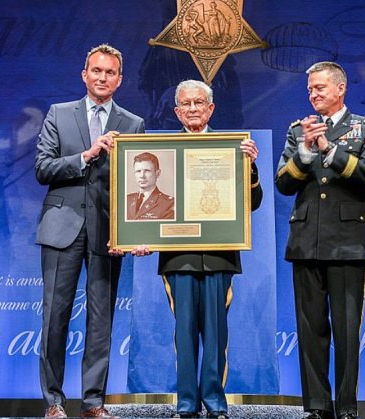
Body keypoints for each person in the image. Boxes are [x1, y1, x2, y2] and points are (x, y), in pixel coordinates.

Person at [127, 80, 261, 419]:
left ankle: (215, 399)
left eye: (198, 103)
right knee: (184, 332)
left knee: (216, 333)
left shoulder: (232, 148)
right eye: (185, 104)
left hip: (219, 254)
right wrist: (137, 237)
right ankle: (186, 400)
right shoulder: (165, 158)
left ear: (211, 108)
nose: (192, 109)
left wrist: (251, 167)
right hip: (179, 257)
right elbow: (148, 213)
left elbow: (253, 203)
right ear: (176, 111)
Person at [34, 44, 145, 419]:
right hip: (62, 228)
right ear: (84, 74)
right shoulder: (59, 114)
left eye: (109, 72)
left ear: (119, 79)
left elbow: (138, 187)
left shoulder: (133, 123)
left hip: (108, 235)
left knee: (102, 320)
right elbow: (43, 168)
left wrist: (132, 232)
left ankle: (94, 402)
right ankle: (53, 401)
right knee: (55, 317)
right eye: (96, 71)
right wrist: (87, 155)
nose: (102, 77)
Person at [275, 62, 365, 419]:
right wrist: (305, 152)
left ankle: (347, 407)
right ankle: (317, 406)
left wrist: (329, 148)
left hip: (348, 241)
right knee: (311, 330)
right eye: (310, 89)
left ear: (341, 88)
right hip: (306, 240)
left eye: (320, 88)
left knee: (346, 331)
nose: (313, 94)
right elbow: (283, 183)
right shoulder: (297, 131)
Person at [126, 152, 174, 220]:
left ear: (157, 173)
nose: (142, 176)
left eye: (147, 171)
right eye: (138, 171)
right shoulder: (126, 200)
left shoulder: (169, 204)